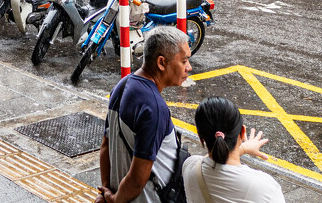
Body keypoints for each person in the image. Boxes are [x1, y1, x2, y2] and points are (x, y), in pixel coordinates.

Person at [96, 27, 192, 203]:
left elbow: (105, 147)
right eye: (184, 61)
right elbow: (137, 179)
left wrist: (106, 190)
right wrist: (114, 199)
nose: (189, 67)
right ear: (161, 62)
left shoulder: (122, 85)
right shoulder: (154, 107)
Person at [182, 96, 284, 203]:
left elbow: (208, 159)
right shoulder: (265, 186)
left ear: (200, 137)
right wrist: (243, 148)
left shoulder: (190, 167)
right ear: (242, 132)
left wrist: (243, 148)